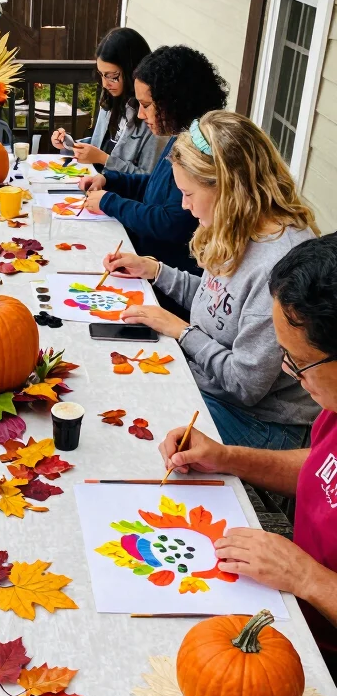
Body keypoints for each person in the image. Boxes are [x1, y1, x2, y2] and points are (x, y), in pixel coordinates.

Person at [159, 234, 337, 678]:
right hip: (287, 609)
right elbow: (320, 470)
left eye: (299, 363)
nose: (288, 374)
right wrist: (227, 457)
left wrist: (307, 577)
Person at [104, 110, 320, 448]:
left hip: (263, 421)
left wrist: (180, 331)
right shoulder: (239, 227)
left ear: (229, 189)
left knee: (139, 425)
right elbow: (216, 301)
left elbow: (245, 385)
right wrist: (155, 270)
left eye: (188, 194)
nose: (185, 206)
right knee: (119, 384)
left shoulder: (279, 265)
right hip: (214, 387)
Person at [79, 45, 229, 276]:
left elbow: (171, 222)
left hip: (168, 279)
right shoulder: (181, 134)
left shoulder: (200, 151)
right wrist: (110, 180)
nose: (140, 114)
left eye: (146, 105)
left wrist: (110, 202)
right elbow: (156, 187)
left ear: (174, 102)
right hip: (146, 263)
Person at [51, 27, 164, 175]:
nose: (105, 84)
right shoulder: (111, 99)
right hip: (94, 183)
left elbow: (147, 180)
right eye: (102, 75)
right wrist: (69, 144)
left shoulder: (152, 115)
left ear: (133, 70)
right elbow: (101, 145)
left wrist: (104, 159)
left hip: (117, 194)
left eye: (112, 76)